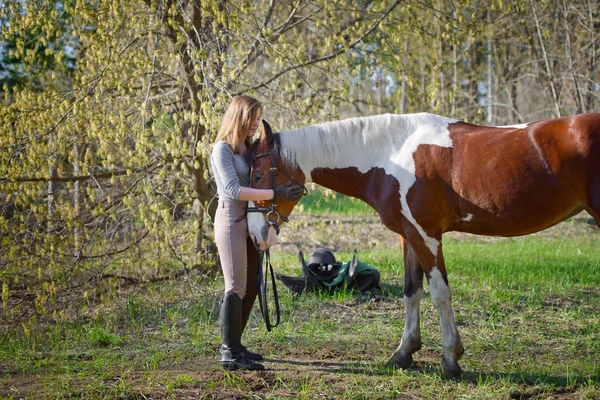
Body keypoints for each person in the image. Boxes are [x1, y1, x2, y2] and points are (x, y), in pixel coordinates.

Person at [211, 95, 303, 371]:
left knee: (251, 285)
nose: (255, 124)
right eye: (252, 118)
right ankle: (228, 353)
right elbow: (232, 190)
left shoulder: (248, 148)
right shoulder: (222, 150)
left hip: (249, 219)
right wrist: (275, 193)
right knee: (236, 285)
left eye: (258, 118)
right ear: (238, 116)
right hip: (229, 218)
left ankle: (237, 345)